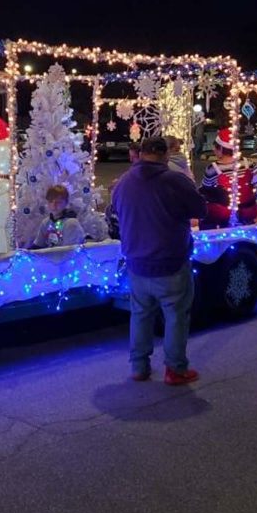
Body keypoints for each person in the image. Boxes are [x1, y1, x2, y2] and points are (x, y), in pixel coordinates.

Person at [111, 136, 207, 385]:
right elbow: (201, 210)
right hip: (170, 263)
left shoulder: (123, 183)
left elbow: (116, 212)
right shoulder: (175, 180)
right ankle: (175, 368)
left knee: (140, 314)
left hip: (136, 264)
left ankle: (139, 366)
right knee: (175, 315)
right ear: (165, 155)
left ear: (141, 154)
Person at [198, 129, 257, 228]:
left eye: (215, 147)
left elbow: (205, 190)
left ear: (220, 149)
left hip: (224, 213)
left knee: (206, 213)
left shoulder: (213, 169)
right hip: (248, 211)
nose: (213, 150)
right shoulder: (249, 163)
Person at [29, 185, 84, 249]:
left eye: (58, 202)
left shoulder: (71, 223)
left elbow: (69, 251)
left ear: (66, 203)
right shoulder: (46, 222)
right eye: (50, 202)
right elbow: (38, 245)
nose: (54, 205)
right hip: (51, 257)